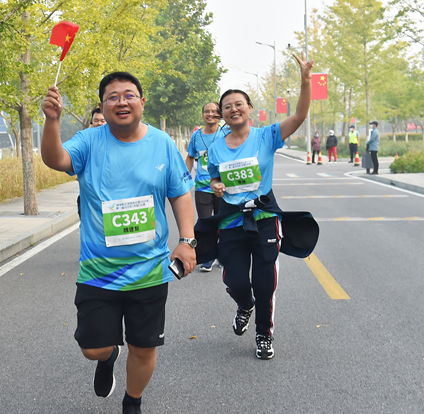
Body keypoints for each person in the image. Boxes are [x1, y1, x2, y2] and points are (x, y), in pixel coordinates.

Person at [41, 72, 197, 414]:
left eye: (129, 95)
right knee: (92, 348)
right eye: (113, 97)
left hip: (150, 271)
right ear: (102, 106)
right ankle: (109, 354)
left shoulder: (162, 144)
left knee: (143, 347)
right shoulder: (89, 141)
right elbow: (56, 159)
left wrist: (187, 240)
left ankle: (132, 402)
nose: (121, 102)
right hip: (99, 271)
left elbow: (181, 195)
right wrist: (52, 122)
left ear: (142, 101)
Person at [195, 53, 319, 360]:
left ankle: (264, 334)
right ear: (222, 114)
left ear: (250, 109)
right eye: (227, 106)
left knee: (265, 283)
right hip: (232, 221)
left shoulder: (267, 136)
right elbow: (213, 180)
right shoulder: (215, 148)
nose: (233, 109)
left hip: (264, 218)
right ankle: (244, 305)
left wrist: (305, 80)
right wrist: (217, 186)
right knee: (236, 281)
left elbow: (300, 116)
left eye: (239, 104)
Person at [185, 102, 227, 272]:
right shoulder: (196, 136)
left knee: (222, 221)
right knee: (205, 222)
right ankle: (208, 256)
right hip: (202, 187)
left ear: (219, 115)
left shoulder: (226, 132)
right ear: (202, 115)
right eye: (206, 111)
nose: (210, 114)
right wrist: (184, 179)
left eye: (214, 111)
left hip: (223, 187)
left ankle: (222, 254)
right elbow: (190, 157)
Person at [78, 107, 107, 218]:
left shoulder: (114, 141)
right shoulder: (84, 141)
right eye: (96, 120)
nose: (99, 123)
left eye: (102, 121)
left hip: (108, 198)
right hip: (88, 198)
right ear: (91, 122)